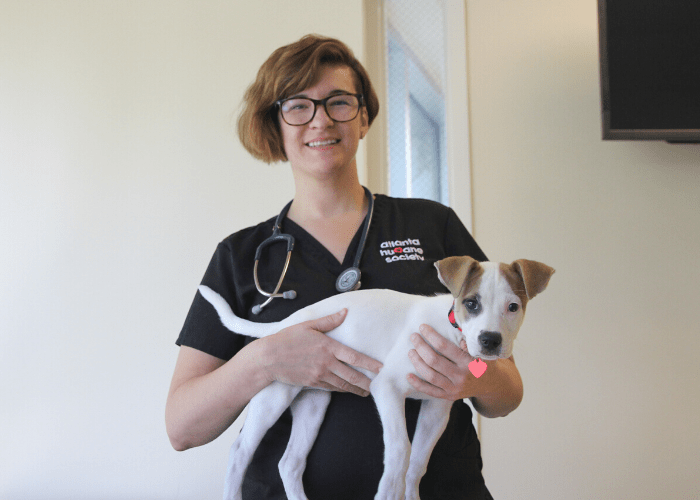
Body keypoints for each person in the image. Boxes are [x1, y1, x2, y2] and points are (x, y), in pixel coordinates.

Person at [166, 34, 523, 500]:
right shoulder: (240, 256)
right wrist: (266, 358)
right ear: (275, 123)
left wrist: (472, 374)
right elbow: (182, 427)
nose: (320, 120)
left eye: (339, 102)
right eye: (298, 105)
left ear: (364, 116)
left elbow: (505, 393)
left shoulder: (433, 226)